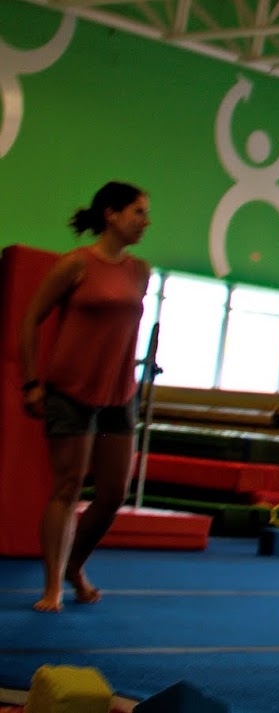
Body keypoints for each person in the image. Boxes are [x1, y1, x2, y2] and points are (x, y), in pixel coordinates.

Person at [18, 181, 152, 613]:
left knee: (113, 493)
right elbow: (30, 320)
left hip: (119, 394)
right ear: (111, 214)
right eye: (138, 212)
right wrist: (32, 381)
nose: (145, 221)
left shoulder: (140, 271)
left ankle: (76, 566)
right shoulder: (75, 265)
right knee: (67, 488)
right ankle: (52, 586)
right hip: (70, 390)